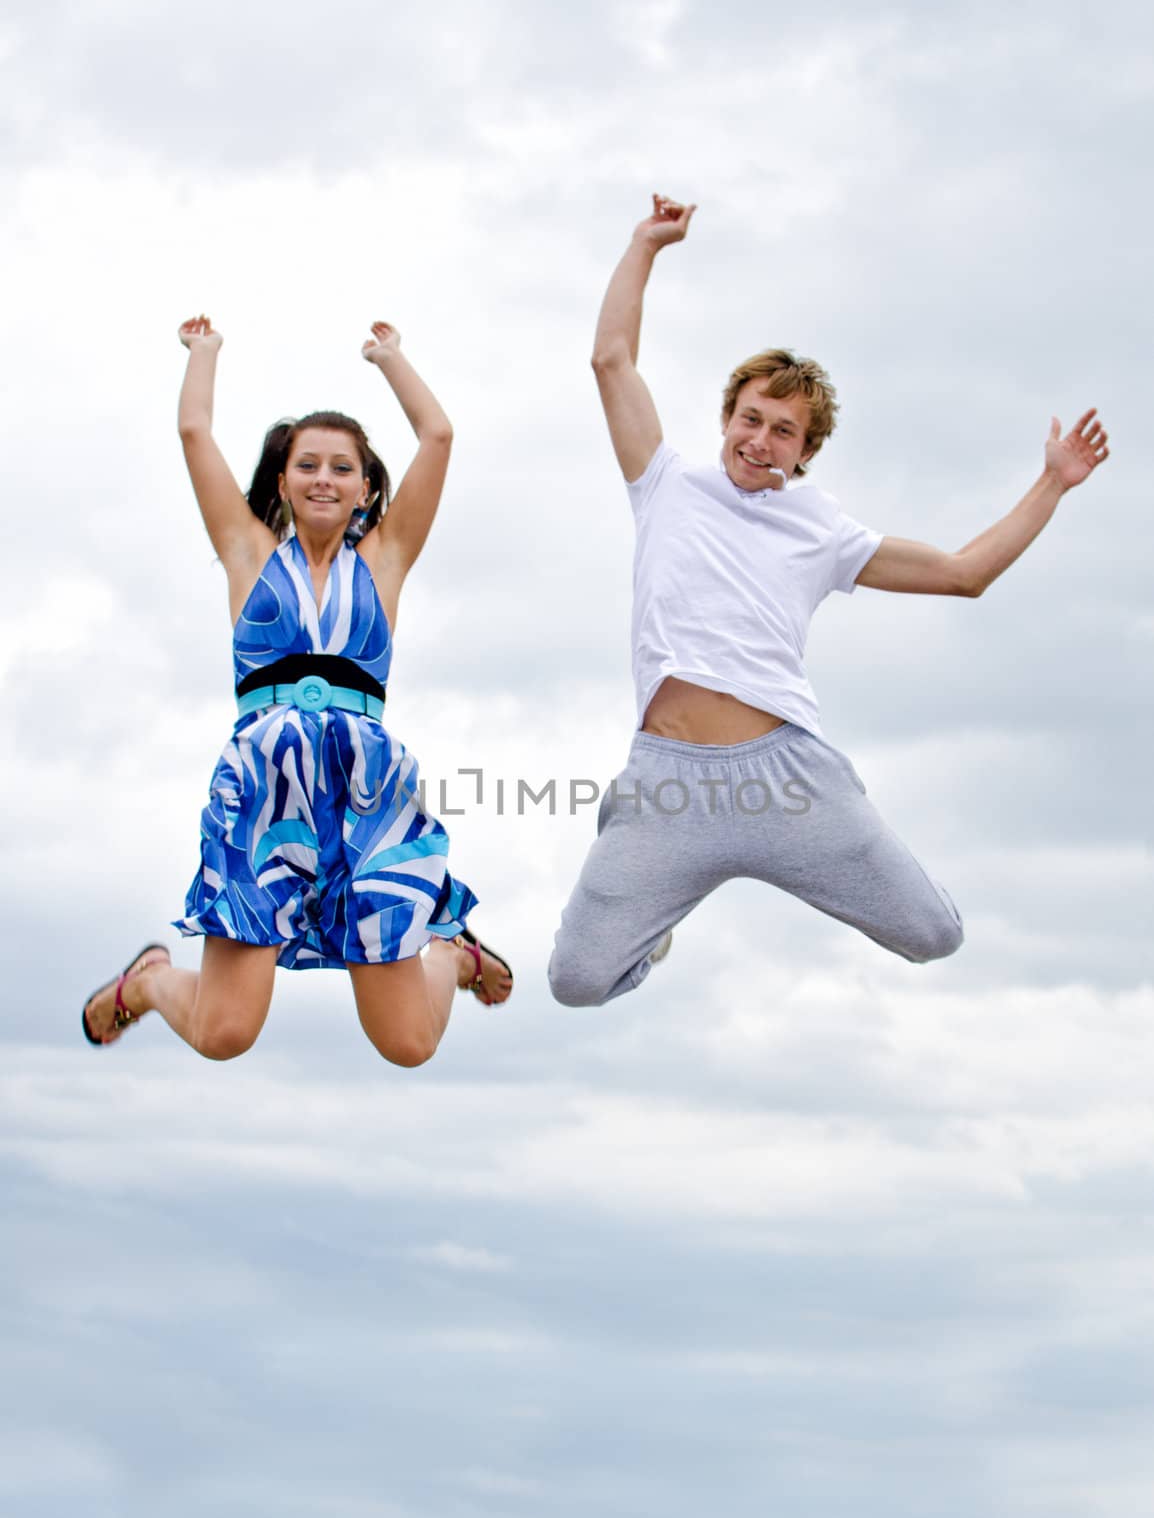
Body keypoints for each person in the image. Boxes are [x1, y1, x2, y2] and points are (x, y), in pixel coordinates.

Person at [548, 195, 1109, 1007]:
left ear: (806, 451)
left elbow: (962, 573)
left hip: (787, 778)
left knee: (935, 934)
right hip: (668, 781)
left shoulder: (822, 528)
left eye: (783, 431)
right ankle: (656, 922)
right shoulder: (665, 483)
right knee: (577, 981)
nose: (759, 440)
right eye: (750, 419)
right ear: (726, 418)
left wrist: (1052, 483)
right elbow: (611, 361)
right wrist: (646, 246)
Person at [82, 315, 512, 1064]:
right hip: (264, 783)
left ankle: (450, 954)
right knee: (224, 1035)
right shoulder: (249, 552)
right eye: (307, 464)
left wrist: (391, 360)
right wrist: (204, 354)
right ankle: (151, 981)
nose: (324, 478)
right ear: (282, 478)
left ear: (366, 486)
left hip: (366, 786)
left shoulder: (385, 559)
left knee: (408, 1045)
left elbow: (437, 437)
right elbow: (194, 433)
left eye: (342, 467)